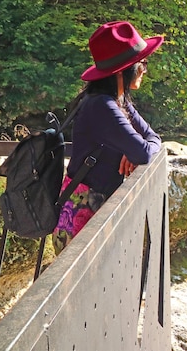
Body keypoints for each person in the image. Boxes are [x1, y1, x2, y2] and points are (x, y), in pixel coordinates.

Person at [53, 21, 164, 254]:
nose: (145, 69)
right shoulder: (102, 106)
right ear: (126, 68)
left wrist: (131, 150)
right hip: (82, 214)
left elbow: (152, 139)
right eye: (142, 63)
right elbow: (144, 151)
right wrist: (135, 150)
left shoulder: (118, 100)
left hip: (95, 208)